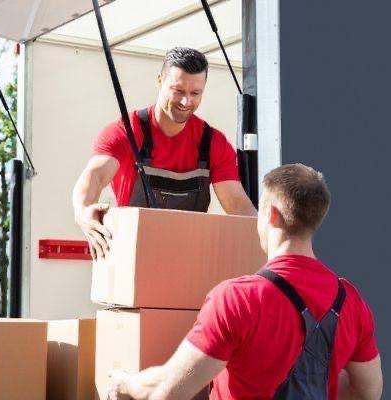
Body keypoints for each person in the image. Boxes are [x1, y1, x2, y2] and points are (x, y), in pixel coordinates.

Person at [106, 163, 382, 400]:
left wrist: (124, 385)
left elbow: (169, 391)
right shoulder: (350, 300)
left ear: (271, 214)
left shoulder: (238, 299)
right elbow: (367, 391)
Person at [72, 47, 256, 260]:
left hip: (190, 260)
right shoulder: (127, 132)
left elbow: (237, 204)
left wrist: (271, 241)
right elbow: (96, 175)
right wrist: (83, 211)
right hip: (133, 257)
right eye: (178, 91)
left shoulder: (213, 142)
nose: (186, 101)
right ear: (159, 81)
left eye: (195, 93)